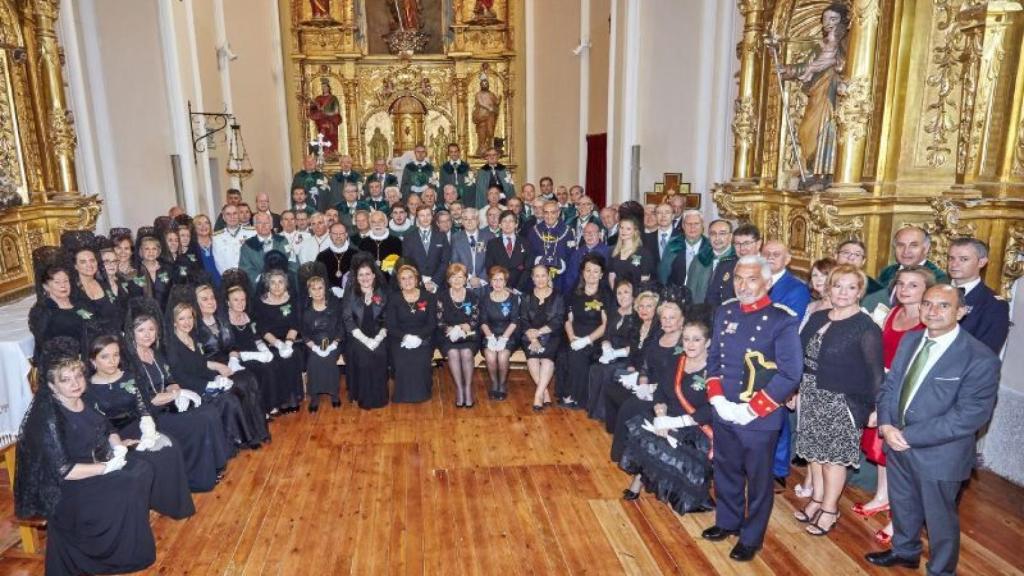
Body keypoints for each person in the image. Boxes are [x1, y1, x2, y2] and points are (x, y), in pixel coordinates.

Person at [866, 285, 1001, 575]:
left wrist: (908, 436)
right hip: (896, 440)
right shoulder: (912, 339)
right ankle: (905, 551)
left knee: (940, 518)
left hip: (940, 453)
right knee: (902, 504)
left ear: (961, 312)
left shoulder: (980, 357)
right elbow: (890, 387)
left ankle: (941, 570)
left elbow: (970, 415)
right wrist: (887, 425)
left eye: (943, 306)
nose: (933, 311)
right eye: (927, 304)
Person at [15, 340, 158, 576]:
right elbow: (64, 470)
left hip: (95, 464)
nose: (75, 384)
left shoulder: (86, 398)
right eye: (66, 380)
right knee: (130, 479)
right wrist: (106, 467)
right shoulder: (48, 418)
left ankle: (124, 543)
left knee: (143, 468)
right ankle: (103, 554)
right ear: (51, 386)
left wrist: (117, 444)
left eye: (78, 377)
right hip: (70, 487)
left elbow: (108, 427)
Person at [700, 255, 802, 563]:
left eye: (752, 279)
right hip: (725, 408)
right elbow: (714, 358)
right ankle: (727, 521)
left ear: (768, 282)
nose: (743, 285)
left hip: (759, 416)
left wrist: (751, 409)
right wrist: (717, 398)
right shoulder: (726, 311)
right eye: (738, 279)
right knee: (726, 470)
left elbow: (790, 374)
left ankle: (751, 536)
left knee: (758, 480)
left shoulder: (781, 320)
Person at [793, 265, 883, 536]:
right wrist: (794, 390)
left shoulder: (865, 327)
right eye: (838, 285)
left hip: (842, 400)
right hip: (811, 393)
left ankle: (830, 509)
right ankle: (818, 500)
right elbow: (801, 357)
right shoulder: (818, 316)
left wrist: (876, 407)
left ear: (860, 292)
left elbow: (876, 373)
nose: (843, 292)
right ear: (828, 288)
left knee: (833, 459)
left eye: (851, 287)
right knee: (815, 455)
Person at [856, 265, 933, 545]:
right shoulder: (892, 313)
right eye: (901, 284)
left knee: (901, 456)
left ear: (926, 290)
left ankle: (900, 517)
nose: (904, 290)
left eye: (913, 285)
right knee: (879, 449)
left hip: (908, 393)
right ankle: (882, 496)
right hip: (883, 387)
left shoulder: (929, 322)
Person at [123, 298, 230, 492]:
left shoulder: (155, 353)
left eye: (151, 329)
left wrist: (175, 391)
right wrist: (179, 393)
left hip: (167, 406)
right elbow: (148, 399)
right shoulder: (130, 362)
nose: (147, 335)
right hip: (148, 417)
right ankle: (196, 479)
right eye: (141, 330)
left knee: (209, 412)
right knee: (200, 421)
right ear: (132, 333)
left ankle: (212, 465)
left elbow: (170, 379)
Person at [85, 335, 195, 518]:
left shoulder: (129, 377)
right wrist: (117, 442)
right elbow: (95, 424)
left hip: (138, 425)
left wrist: (148, 433)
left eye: (116, 355)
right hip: (111, 436)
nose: (112, 361)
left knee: (170, 447)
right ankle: (151, 502)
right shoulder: (88, 389)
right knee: (148, 458)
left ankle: (173, 504)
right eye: (104, 357)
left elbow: (143, 408)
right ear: (93, 361)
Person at [619, 315, 714, 515]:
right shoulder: (676, 361)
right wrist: (661, 416)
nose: (690, 344)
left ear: (708, 342)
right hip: (666, 415)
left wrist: (674, 422)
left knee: (665, 442)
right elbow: (661, 392)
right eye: (686, 339)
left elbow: (711, 408)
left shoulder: (714, 371)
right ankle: (639, 478)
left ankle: (679, 492)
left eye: (696, 339)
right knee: (644, 432)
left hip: (695, 424)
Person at [164, 297, 254, 452]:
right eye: (181, 318)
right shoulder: (172, 346)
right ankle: (228, 445)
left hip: (205, 381)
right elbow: (179, 377)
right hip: (192, 391)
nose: (187, 322)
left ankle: (239, 436)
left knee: (238, 388)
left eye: (189, 317)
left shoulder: (193, 337)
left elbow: (201, 365)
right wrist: (209, 385)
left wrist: (217, 377)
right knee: (228, 399)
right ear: (174, 322)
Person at [192, 283, 271, 448]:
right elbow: (196, 359)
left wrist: (233, 360)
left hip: (229, 363)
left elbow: (232, 345)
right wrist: (220, 368)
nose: (210, 302)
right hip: (210, 369)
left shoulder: (221, 320)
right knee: (240, 384)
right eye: (204, 299)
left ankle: (261, 431)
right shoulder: (194, 327)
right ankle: (248, 437)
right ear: (196, 303)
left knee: (250, 379)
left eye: (212, 298)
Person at [604, 291, 661, 440]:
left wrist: (638, 373)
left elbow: (650, 359)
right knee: (610, 387)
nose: (644, 310)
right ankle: (615, 428)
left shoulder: (658, 331)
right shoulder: (638, 327)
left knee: (613, 377)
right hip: (634, 369)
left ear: (656, 309)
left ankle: (626, 431)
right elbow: (632, 351)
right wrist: (630, 366)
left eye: (649, 306)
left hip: (647, 374)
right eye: (641, 306)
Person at [251, 266, 303, 414]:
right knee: (275, 360)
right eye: (273, 282)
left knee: (291, 357)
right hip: (271, 341)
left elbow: (295, 323)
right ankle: (279, 401)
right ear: (267, 285)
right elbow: (262, 329)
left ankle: (292, 399)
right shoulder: (260, 302)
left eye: (280, 282)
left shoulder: (293, 298)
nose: (277, 286)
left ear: (286, 284)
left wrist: (287, 343)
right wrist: (279, 344)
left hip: (292, 339)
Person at [559, 254, 609, 409]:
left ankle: (574, 396)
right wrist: (572, 338)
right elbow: (568, 320)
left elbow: (605, 325)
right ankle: (567, 392)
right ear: (582, 272)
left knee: (578, 354)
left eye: (595, 271)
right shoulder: (574, 293)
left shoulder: (606, 295)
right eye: (588, 270)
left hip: (595, 337)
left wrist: (586, 340)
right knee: (563, 353)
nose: (591, 274)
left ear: (601, 274)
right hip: (574, 334)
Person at [863, 226, 950, 314]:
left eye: (913, 245)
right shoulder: (888, 271)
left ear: (926, 248)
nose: (906, 251)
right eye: (901, 245)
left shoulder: (938, 279)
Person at [341, 254, 390, 409]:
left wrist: (377, 338)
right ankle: (364, 398)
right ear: (356, 277)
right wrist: (366, 340)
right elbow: (348, 320)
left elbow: (387, 318)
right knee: (363, 358)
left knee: (380, 355)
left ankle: (380, 397)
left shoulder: (382, 293)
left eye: (368, 274)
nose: (365, 278)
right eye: (361, 275)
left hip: (379, 336)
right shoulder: (350, 295)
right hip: (356, 337)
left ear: (374, 275)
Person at [947, 238, 1009, 354]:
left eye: (963, 259)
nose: (954, 264)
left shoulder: (993, 304)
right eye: (951, 258)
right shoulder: (934, 292)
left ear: (981, 262)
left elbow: (986, 352)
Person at [587, 280, 637, 421]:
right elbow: (607, 334)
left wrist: (616, 354)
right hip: (610, 353)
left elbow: (635, 344)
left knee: (608, 371)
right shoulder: (614, 312)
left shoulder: (638, 315)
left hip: (627, 356)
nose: (622, 296)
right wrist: (606, 347)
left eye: (626, 292)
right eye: (619, 293)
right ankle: (593, 410)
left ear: (633, 295)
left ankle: (604, 413)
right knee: (596, 368)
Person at [387, 265, 437, 404]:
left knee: (420, 360)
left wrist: (418, 337)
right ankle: (402, 395)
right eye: (403, 279)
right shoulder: (393, 298)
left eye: (410, 277)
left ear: (416, 280)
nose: (407, 281)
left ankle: (423, 393)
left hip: (424, 336)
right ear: (399, 282)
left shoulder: (429, 297)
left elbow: (432, 324)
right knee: (402, 360)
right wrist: (406, 337)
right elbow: (391, 326)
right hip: (400, 337)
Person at [521, 263, 566, 411]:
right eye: (537, 276)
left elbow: (558, 320)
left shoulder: (558, 296)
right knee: (533, 358)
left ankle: (537, 395)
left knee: (547, 359)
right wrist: (533, 338)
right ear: (532, 278)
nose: (540, 279)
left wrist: (539, 333)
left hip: (551, 335)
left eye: (543, 275)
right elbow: (523, 320)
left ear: (549, 277)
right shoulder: (526, 297)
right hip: (529, 335)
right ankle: (544, 392)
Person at [28, 258, 90, 364]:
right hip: (63, 365)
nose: (63, 285)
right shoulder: (43, 312)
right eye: (57, 282)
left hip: (91, 356)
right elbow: (44, 344)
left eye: (66, 281)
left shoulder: (79, 303)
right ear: (46, 286)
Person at [300, 264, 344, 411]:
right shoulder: (305, 311)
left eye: (320, 288)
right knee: (314, 360)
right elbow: (304, 333)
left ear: (325, 289)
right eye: (314, 288)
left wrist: (334, 344)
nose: (318, 291)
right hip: (313, 344)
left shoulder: (335, 305)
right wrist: (314, 347)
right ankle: (314, 396)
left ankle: (334, 394)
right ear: (309, 292)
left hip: (333, 342)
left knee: (330, 358)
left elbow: (340, 327)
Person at [437, 263, 480, 407]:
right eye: (453, 277)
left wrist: (462, 327)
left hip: (469, 335)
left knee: (467, 353)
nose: (457, 280)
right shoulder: (441, 296)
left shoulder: (473, 296)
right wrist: (451, 329)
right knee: (454, 353)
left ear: (466, 279)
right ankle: (459, 389)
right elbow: (439, 320)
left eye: (460, 277)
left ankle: (467, 388)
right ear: (448, 280)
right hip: (447, 336)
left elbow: (474, 319)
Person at [480, 266, 520, 400]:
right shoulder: (485, 298)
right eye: (494, 279)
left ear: (505, 282)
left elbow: (514, 321)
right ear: (490, 282)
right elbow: (483, 321)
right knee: (491, 357)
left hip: (508, 334)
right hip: (489, 333)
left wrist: (503, 339)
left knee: (502, 357)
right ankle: (494, 383)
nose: (497, 283)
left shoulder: (513, 298)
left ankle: (502, 384)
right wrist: (490, 337)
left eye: (500, 280)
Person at [707, 223, 763, 311]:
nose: (742, 248)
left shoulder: (768, 268)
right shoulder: (724, 266)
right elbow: (712, 298)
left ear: (758, 243)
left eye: (747, 243)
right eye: (737, 244)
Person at [686, 219, 736, 307]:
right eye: (713, 234)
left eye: (722, 233)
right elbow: (690, 290)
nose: (717, 238)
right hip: (699, 312)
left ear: (731, 237)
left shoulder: (737, 260)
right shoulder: (699, 259)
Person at [402, 205, 451, 292]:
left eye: (428, 215)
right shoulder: (408, 237)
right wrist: (422, 279)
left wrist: (434, 281)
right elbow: (408, 262)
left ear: (432, 217)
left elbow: (445, 261)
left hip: (438, 284)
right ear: (417, 218)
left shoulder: (441, 235)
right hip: (417, 284)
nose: (425, 218)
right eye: (422, 215)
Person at [240, 212, 295, 285]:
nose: (264, 226)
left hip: (282, 284)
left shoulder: (283, 241)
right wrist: (263, 279)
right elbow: (245, 269)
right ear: (255, 226)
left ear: (271, 225)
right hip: (259, 286)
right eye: (260, 223)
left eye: (267, 223)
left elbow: (292, 261)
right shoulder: (247, 246)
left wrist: (283, 277)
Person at [451, 207, 494, 295]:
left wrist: (481, 279)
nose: (469, 222)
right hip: (463, 284)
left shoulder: (489, 236)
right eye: (466, 219)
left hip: (485, 284)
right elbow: (455, 262)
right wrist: (469, 278)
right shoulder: (455, 238)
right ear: (462, 222)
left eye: (473, 218)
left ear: (478, 220)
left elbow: (491, 261)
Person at [606, 217, 655, 293]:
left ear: (635, 232)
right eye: (621, 228)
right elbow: (611, 277)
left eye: (628, 229)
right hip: (618, 297)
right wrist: (617, 295)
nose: (623, 231)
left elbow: (645, 281)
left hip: (636, 297)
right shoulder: (613, 251)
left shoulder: (644, 253)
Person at [485, 211, 529, 291]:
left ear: (516, 224)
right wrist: (502, 286)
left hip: (520, 289)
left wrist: (517, 288)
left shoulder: (525, 243)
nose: (507, 224)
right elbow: (490, 267)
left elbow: (528, 267)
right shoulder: (492, 244)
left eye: (511, 221)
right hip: (498, 288)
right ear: (500, 225)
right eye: (504, 221)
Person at [564, 221, 610, 293]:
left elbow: (608, 277)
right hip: (579, 293)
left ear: (599, 235)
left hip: (601, 294)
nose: (589, 235)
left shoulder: (608, 253)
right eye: (586, 233)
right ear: (583, 235)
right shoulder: (576, 254)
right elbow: (570, 278)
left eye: (593, 232)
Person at [212, 204, 256, 274]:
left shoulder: (252, 233)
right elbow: (219, 262)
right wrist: (230, 277)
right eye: (228, 214)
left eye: (235, 213)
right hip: (228, 279)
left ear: (239, 215)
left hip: (249, 276)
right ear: (223, 217)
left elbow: (255, 258)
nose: (232, 217)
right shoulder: (216, 237)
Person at [316, 222, 356, 295]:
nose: (338, 236)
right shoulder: (322, 256)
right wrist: (332, 288)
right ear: (330, 235)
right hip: (329, 295)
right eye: (335, 233)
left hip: (351, 295)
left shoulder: (356, 254)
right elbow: (318, 278)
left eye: (341, 233)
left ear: (346, 234)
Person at [192, 214, 221, 285]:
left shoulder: (218, 242)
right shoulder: (192, 247)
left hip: (221, 282)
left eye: (206, 223)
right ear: (194, 228)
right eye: (199, 224)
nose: (203, 226)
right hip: (203, 286)